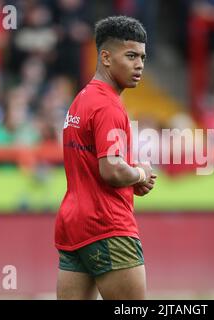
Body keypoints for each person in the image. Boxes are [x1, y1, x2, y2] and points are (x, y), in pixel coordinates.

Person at [55, 16, 156, 300]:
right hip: (107, 225)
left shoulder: (82, 99)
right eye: (131, 56)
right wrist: (140, 174)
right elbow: (111, 170)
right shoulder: (108, 106)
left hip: (74, 226)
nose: (139, 65)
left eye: (143, 57)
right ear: (106, 57)